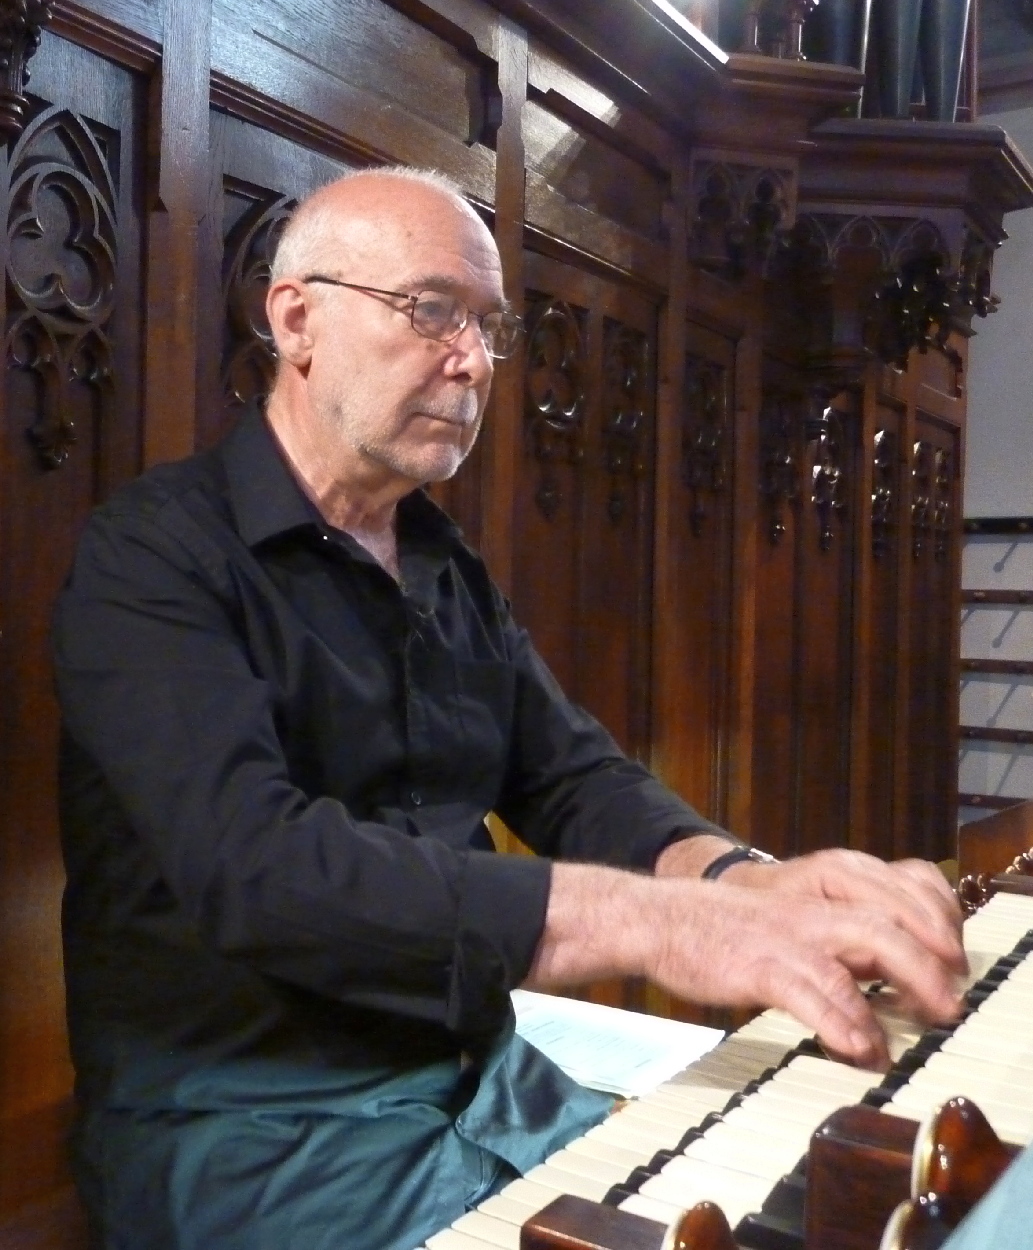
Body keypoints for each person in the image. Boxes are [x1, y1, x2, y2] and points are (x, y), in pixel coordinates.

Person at [52, 166, 967, 1250]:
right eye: (432, 310)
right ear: (295, 318)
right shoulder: (152, 553)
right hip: (248, 1122)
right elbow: (260, 870)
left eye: (489, 327)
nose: (473, 361)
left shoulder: (444, 564)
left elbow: (571, 774)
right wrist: (651, 922)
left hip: (483, 1079)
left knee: (811, 1208)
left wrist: (741, 879)